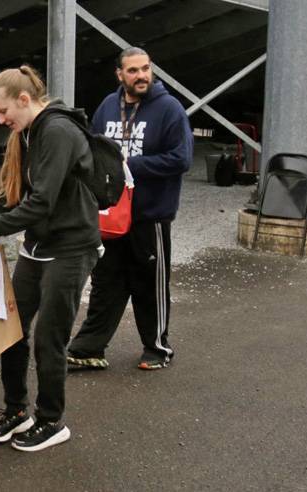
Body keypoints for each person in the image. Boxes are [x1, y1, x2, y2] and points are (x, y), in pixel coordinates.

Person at [0, 66, 100, 452]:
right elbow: (12, 194)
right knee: (10, 328)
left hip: (71, 246)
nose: (0, 120)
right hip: (37, 245)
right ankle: (17, 411)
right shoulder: (27, 133)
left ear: (24, 99)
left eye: (2, 111)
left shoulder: (58, 131)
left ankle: (51, 421)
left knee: (50, 336)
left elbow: (42, 202)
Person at [67, 47, 193, 371]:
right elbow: (93, 150)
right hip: (110, 217)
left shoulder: (169, 109)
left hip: (149, 216)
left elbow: (182, 159)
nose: (141, 76)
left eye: (146, 69)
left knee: (149, 284)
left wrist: (130, 164)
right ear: (120, 74)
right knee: (105, 283)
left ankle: (157, 348)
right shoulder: (109, 106)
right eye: (133, 70)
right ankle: (88, 349)